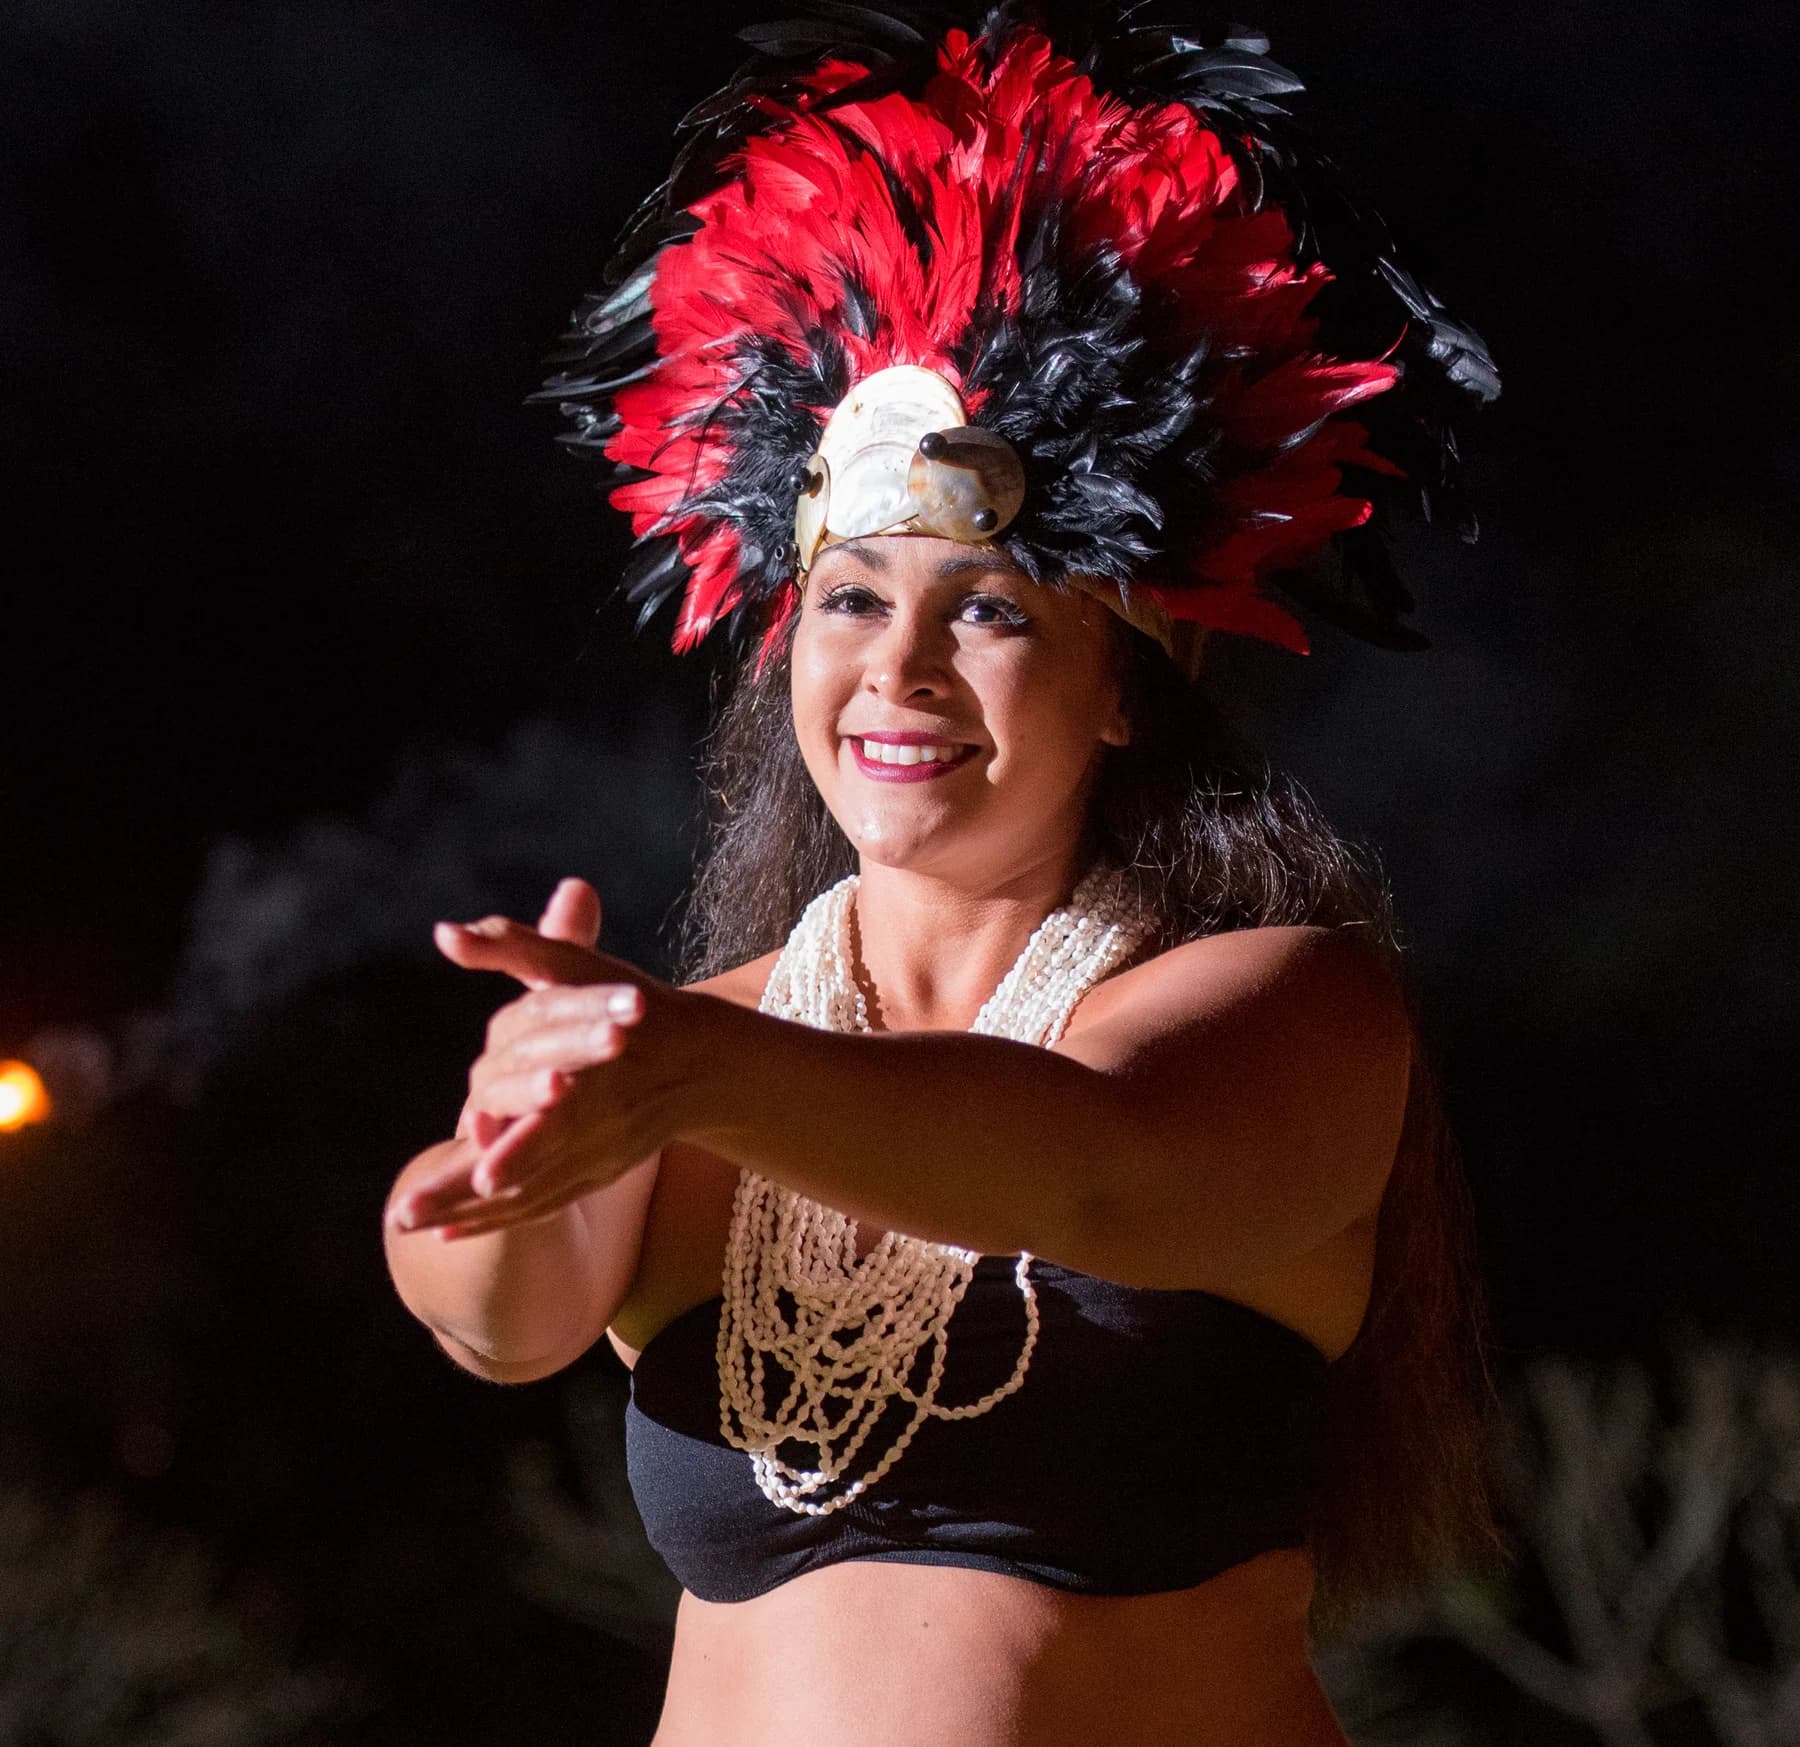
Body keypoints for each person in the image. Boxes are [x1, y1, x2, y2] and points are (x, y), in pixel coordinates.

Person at [383, 7, 1510, 1742]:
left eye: (987, 609)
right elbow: (500, 1325)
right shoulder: (691, 1051)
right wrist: (501, 1162)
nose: (897, 669)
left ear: (1128, 684)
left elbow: (1097, 1173)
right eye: (851, 599)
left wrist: (688, 1072)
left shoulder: (1287, 1004)